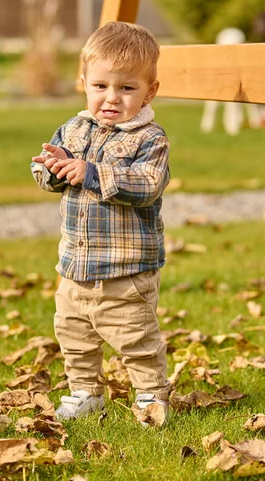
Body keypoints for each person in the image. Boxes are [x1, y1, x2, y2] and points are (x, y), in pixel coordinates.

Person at [31, 21, 171, 423]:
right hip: (75, 266)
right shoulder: (74, 129)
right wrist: (54, 169)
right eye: (100, 86)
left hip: (126, 270)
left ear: (150, 91)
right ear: (84, 83)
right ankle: (85, 391)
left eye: (126, 88)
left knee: (136, 337)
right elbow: (44, 173)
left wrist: (92, 172)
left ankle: (149, 396)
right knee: (74, 334)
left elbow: (148, 184)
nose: (111, 98)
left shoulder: (150, 139)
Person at [200, 27, 261, 135]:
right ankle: (222, 125)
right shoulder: (220, 61)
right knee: (216, 100)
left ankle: (238, 124)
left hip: (236, 71)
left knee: (241, 98)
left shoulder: (237, 47)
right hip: (223, 72)